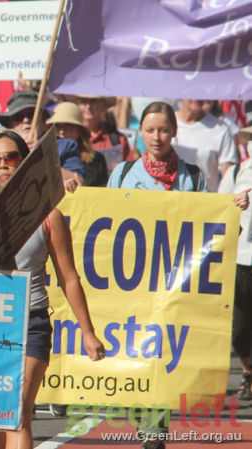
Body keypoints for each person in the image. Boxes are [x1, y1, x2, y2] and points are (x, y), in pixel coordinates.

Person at [0, 131, 105, 449]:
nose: (3, 165)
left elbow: (69, 278)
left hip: (31, 322)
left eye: (11, 157)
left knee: (17, 410)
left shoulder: (49, 216)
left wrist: (88, 332)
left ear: (25, 164)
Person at [106, 101, 205, 449]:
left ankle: (154, 428)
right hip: (131, 285)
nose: (156, 136)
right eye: (149, 130)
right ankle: (144, 415)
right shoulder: (120, 174)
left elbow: (208, 226)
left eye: (163, 129)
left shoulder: (193, 177)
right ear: (139, 132)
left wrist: (230, 208)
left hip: (173, 286)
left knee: (162, 355)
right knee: (136, 352)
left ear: (174, 131)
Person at [217, 135, 252, 402]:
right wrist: (235, 204)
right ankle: (248, 369)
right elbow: (218, 208)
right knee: (239, 327)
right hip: (241, 256)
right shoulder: (238, 171)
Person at [0, 90, 86, 183]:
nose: (26, 120)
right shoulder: (4, 150)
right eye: (18, 117)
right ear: (11, 124)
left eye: (31, 115)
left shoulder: (65, 145)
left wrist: (42, 157)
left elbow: (79, 181)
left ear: (43, 119)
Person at [174, 99, 237, 192]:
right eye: (192, 92)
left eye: (201, 93)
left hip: (205, 201)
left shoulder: (221, 129)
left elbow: (228, 176)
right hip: (171, 200)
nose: (196, 98)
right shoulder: (167, 123)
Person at [48, 102, 109, 187]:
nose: (62, 131)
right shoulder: (47, 156)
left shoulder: (97, 160)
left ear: (79, 130)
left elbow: (102, 193)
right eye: (57, 126)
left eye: (68, 126)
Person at [68, 95, 136, 168]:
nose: (88, 106)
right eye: (83, 101)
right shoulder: (70, 137)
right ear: (77, 106)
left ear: (103, 105)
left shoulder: (119, 138)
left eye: (93, 101)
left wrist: (122, 169)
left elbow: (130, 170)